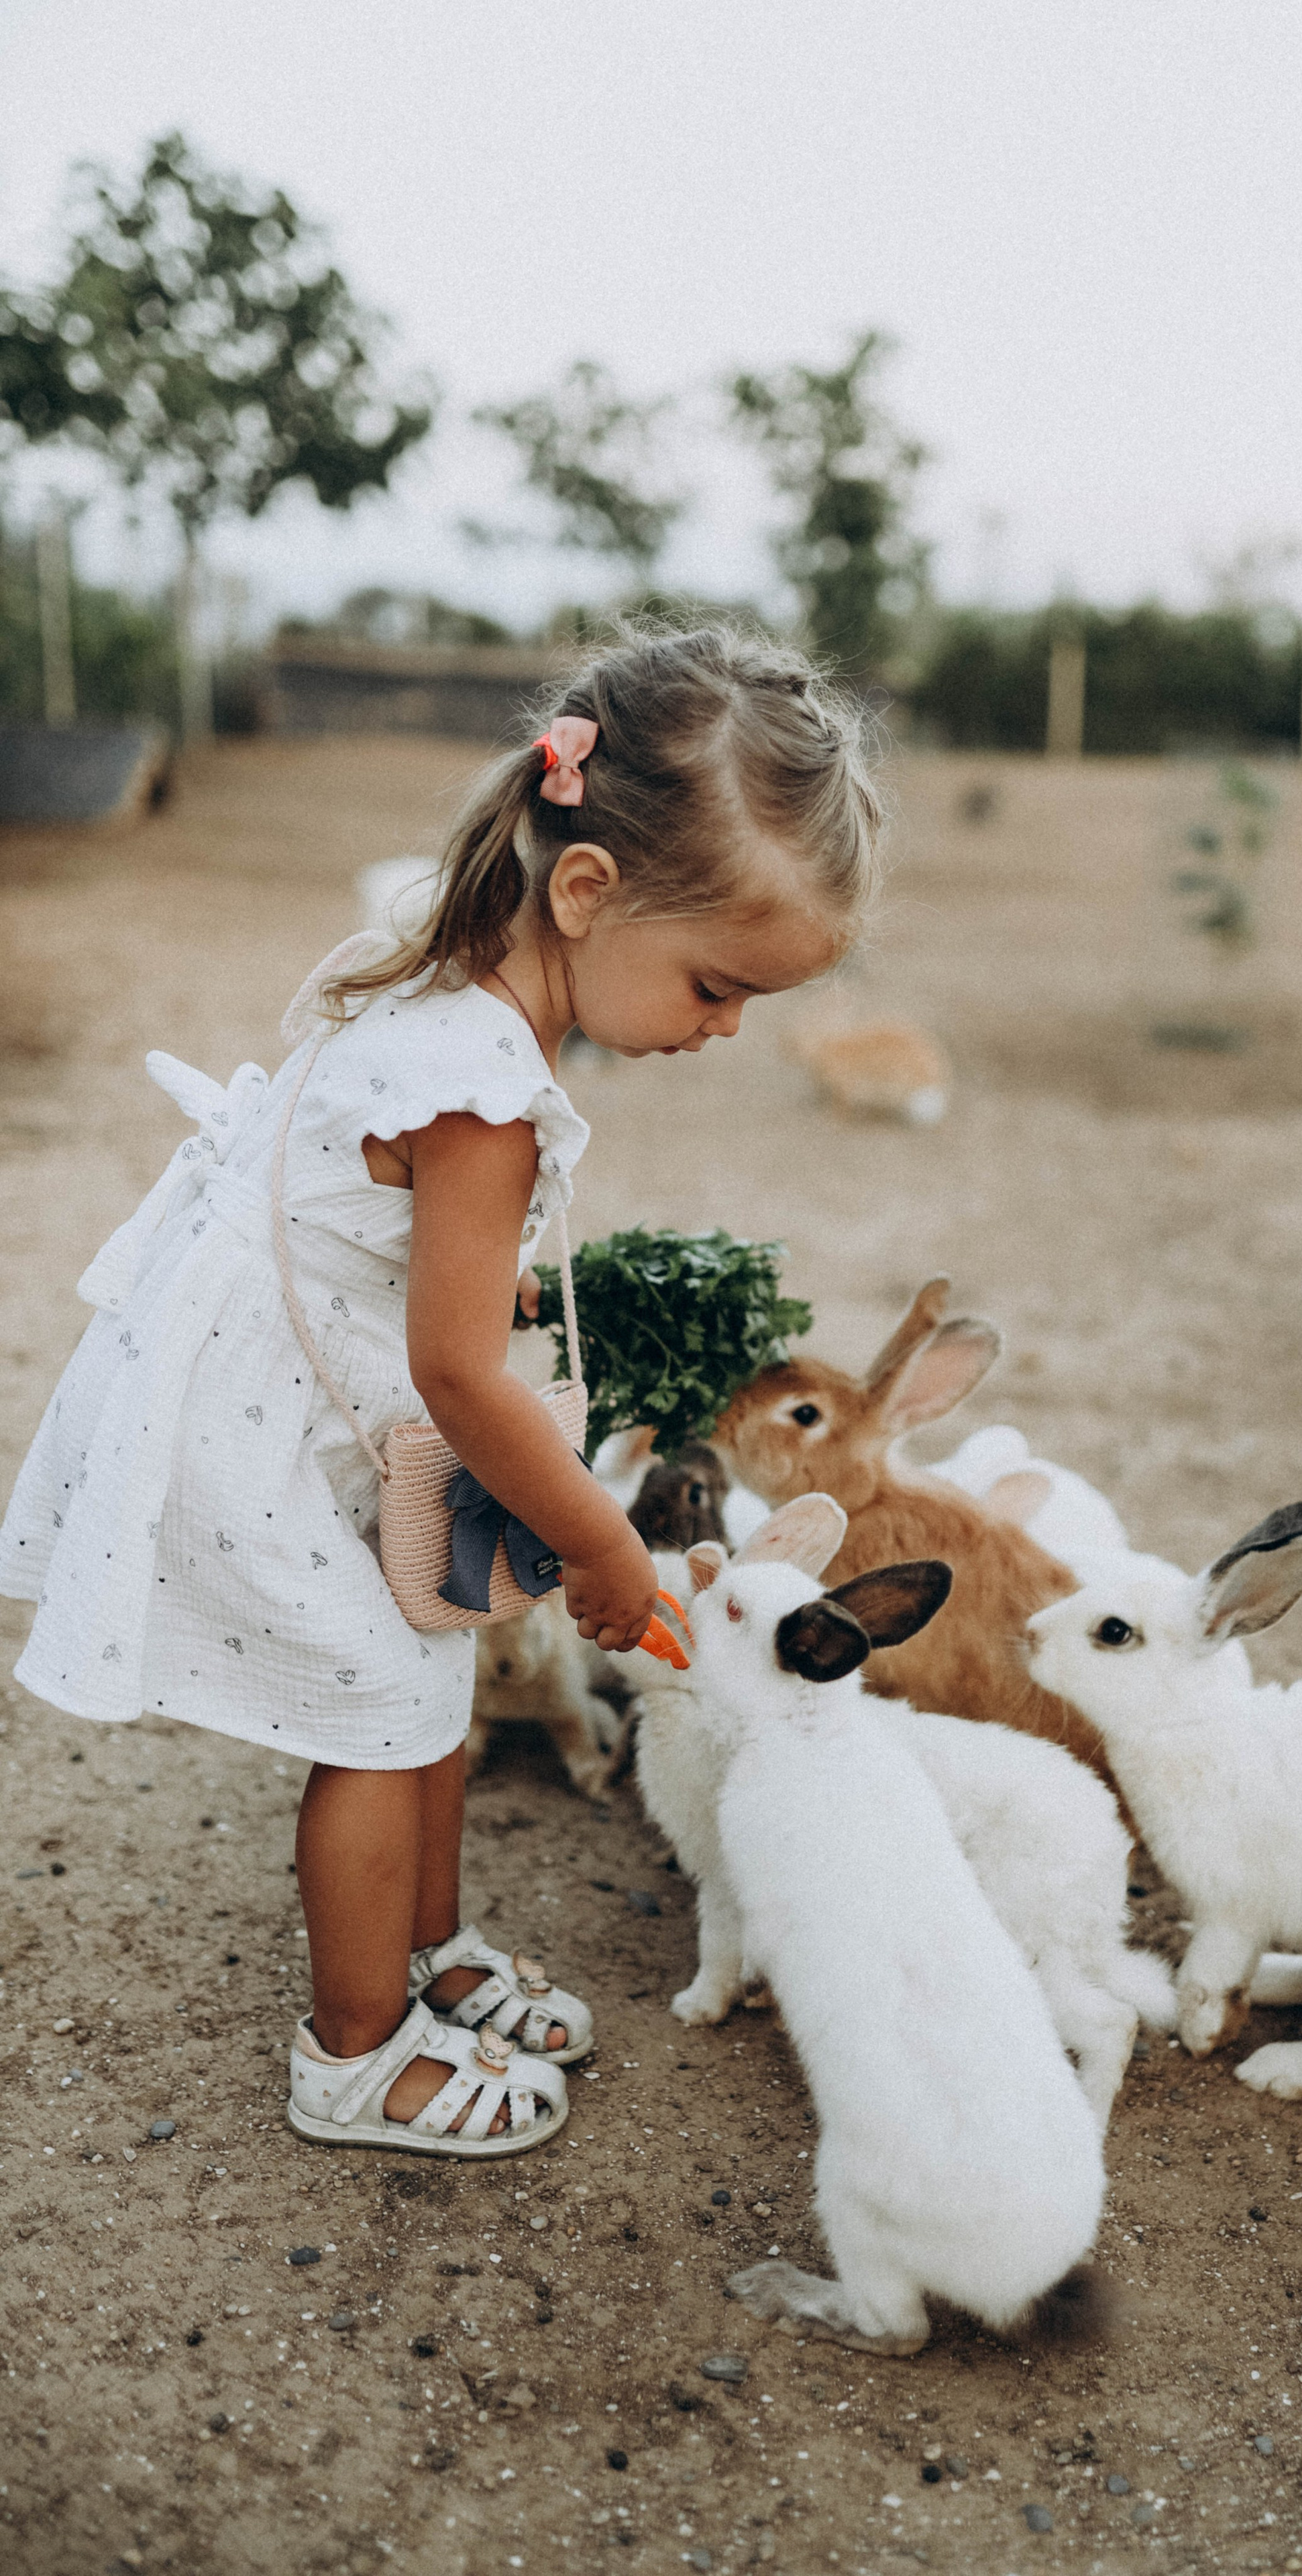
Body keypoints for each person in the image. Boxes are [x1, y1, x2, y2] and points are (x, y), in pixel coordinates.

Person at [0, 625, 881, 2157]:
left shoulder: (448, 978)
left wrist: (487, 1279)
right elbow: (458, 1372)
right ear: (589, 892)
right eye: (718, 985)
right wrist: (603, 1552)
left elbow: (378, 1222)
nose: (727, 1029)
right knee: (382, 1714)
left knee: (424, 1684)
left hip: (287, 1376)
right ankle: (353, 2053)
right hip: (257, 1427)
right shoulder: (481, 1087)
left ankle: (423, 1961)